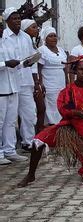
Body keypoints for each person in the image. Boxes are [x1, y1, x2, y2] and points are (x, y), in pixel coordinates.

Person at [17, 55, 83, 188]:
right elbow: (63, 109)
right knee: (38, 141)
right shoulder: (68, 91)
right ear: (76, 71)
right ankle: (30, 175)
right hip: (68, 128)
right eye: (81, 69)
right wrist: (75, 113)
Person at [3, 11, 40, 152]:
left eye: (19, 18)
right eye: (14, 19)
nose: (17, 21)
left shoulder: (26, 37)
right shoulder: (4, 37)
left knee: (30, 113)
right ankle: (9, 148)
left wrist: (35, 79)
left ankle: (28, 142)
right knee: (10, 118)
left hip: (25, 80)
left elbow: (32, 58)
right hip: (9, 81)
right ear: (7, 21)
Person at [0, 9, 32, 165]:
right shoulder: (6, 38)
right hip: (1, 88)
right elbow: (6, 63)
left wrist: (23, 64)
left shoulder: (8, 42)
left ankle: (9, 150)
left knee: (11, 121)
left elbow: (16, 63)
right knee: (0, 121)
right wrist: (5, 64)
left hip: (14, 86)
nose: (1, 31)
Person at [37, 26, 69, 125]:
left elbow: (64, 67)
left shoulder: (61, 50)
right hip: (49, 83)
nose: (54, 38)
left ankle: (60, 126)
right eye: (50, 36)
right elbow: (39, 68)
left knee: (61, 103)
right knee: (51, 105)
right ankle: (52, 126)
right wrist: (40, 83)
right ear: (45, 38)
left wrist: (67, 82)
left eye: (55, 36)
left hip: (61, 82)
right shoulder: (41, 50)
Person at [22, 19, 46, 133]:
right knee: (27, 111)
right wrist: (36, 82)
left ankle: (37, 135)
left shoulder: (32, 43)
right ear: (25, 29)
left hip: (33, 80)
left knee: (39, 109)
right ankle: (26, 138)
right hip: (26, 80)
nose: (37, 29)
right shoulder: (23, 43)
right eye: (34, 27)